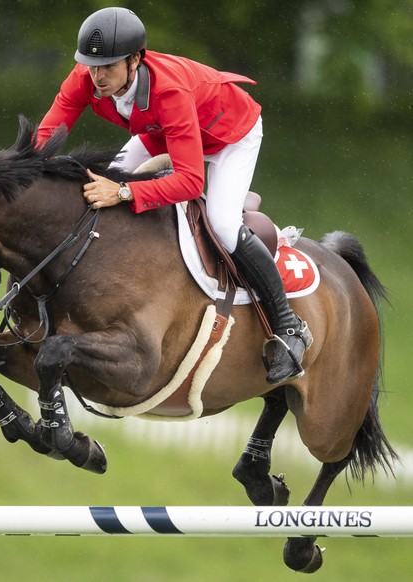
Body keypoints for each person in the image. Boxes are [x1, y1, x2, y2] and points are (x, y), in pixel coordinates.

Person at [36, 7, 312, 385]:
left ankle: (290, 326)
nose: (97, 76)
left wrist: (123, 191)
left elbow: (189, 182)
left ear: (135, 59)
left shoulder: (168, 89)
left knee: (224, 224)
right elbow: (47, 137)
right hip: (161, 131)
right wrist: (18, 173)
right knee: (99, 191)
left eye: (108, 66)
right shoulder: (87, 77)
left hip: (230, 135)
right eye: (91, 65)